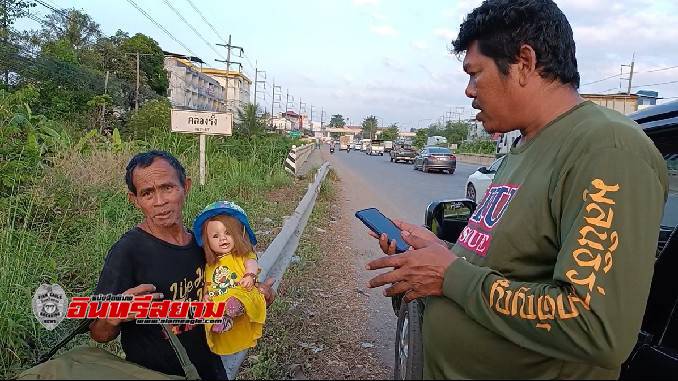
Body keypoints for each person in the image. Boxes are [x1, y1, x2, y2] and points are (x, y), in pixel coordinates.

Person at [365, 0, 668, 379]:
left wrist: (451, 276)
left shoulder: (607, 149)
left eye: (475, 74)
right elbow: (510, 264)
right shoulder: (523, 146)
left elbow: (594, 326)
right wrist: (439, 255)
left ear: (524, 62)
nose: (468, 91)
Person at [89, 150, 275, 380]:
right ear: (134, 200)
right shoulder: (128, 252)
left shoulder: (204, 245)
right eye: (147, 193)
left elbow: (232, 291)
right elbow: (98, 333)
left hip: (210, 370)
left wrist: (258, 295)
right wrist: (115, 314)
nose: (160, 201)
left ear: (185, 187)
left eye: (168, 188)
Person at [192, 201, 267, 358]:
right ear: (207, 242)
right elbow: (208, 283)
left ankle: (234, 308)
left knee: (242, 296)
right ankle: (221, 321)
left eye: (228, 233)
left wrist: (250, 275)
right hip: (219, 298)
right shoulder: (209, 265)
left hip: (241, 290)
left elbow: (251, 263)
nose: (222, 239)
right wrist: (205, 295)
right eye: (215, 236)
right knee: (209, 310)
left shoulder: (241, 256)